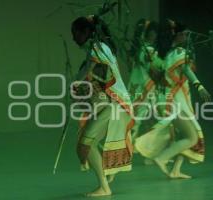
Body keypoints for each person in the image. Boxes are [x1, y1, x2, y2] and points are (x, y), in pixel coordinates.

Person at [135, 19, 211, 179]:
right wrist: (199, 86)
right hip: (174, 101)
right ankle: (161, 158)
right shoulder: (177, 53)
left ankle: (176, 169)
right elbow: (185, 70)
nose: (188, 37)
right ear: (179, 35)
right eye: (186, 34)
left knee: (185, 136)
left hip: (175, 98)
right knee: (192, 137)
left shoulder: (167, 53)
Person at [71, 16, 134, 196]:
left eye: (75, 33)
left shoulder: (97, 48)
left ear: (85, 32)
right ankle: (106, 176)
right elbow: (95, 77)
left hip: (115, 105)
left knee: (86, 143)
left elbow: (89, 72)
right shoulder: (101, 49)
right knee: (87, 143)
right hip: (112, 104)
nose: (74, 38)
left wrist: (75, 84)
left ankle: (104, 186)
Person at [127, 19, 163, 140]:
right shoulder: (148, 51)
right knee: (139, 117)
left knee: (138, 117)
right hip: (144, 89)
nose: (155, 35)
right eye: (153, 32)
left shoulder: (141, 51)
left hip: (139, 87)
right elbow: (153, 71)